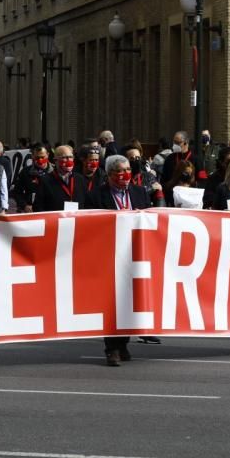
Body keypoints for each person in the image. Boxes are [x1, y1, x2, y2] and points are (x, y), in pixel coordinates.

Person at [90, 156, 153, 365]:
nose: (125, 175)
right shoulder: (96, 196)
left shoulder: (139, 192)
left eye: (127, 170)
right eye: (119, 171)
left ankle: (123, 342)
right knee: (112, 302)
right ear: (109, 175)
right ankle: (112, 349)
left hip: (135, 254)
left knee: (130, 300)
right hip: (108, 254)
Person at [34, 146, 89, 212]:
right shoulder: (45, 181)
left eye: (71, 157)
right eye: (64, 158)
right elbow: (38, 207)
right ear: (55, 161)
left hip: (77, 220)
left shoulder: (80, 179)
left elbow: (87, 204)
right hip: (54, 221)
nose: (69, 161)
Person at [14, 143, 51, 212]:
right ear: (32, 156)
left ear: (48, 155)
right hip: (31, 212)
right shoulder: (25, 172)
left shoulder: (54, 172)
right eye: (37, 158)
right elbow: (17, 192)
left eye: (43, 157)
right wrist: (24, 205)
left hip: (49, 212)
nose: (40, 160)